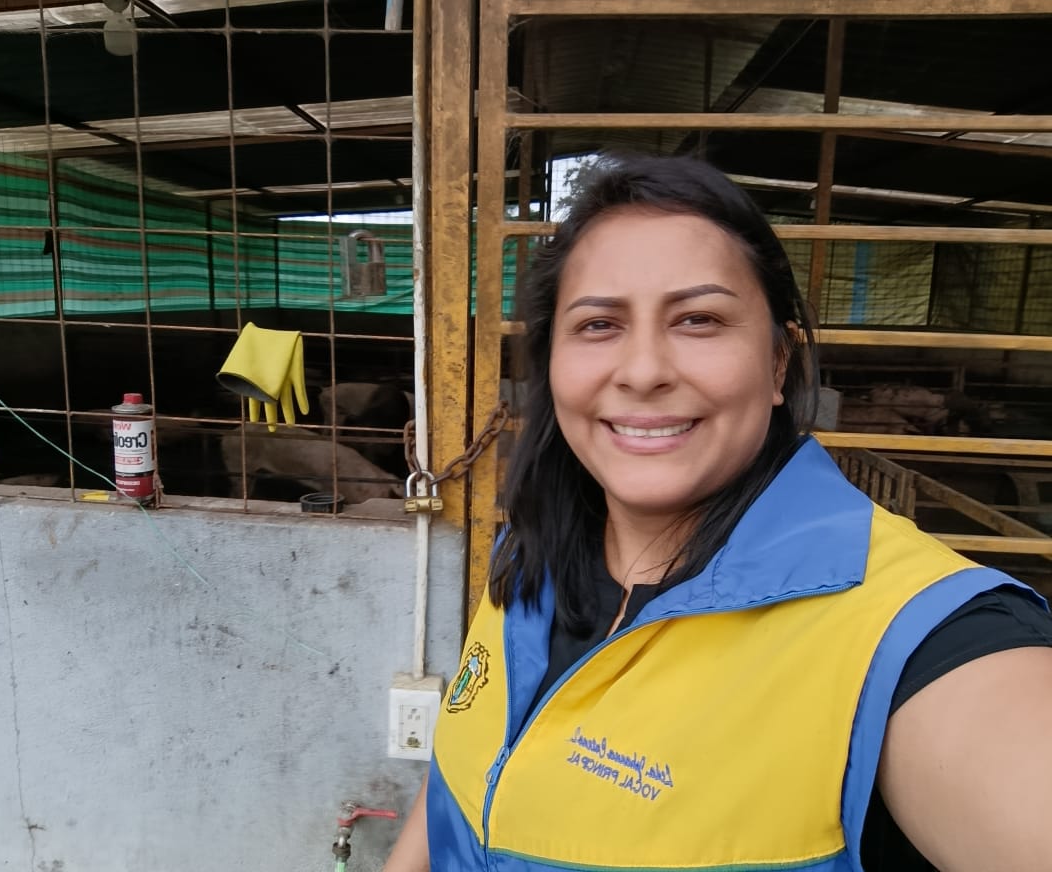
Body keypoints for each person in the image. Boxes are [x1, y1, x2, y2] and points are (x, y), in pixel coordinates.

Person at [383, 154, 1052, 872]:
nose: (643, 371)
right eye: (599, 324)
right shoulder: (529, 553)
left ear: (778, 364)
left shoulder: (916, 637)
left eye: (698, 320)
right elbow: (467, 769)